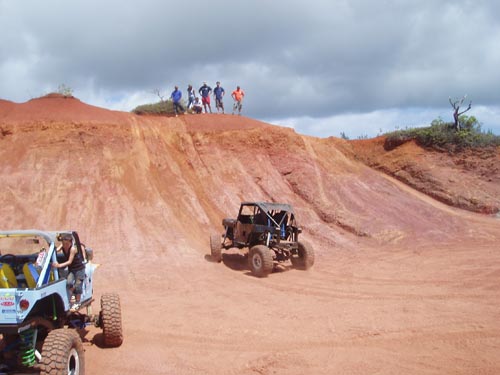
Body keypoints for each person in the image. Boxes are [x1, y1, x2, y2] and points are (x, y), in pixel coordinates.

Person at [52, 233, 86, 310]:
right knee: (69, 283)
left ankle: (77, 303)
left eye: (64, 240)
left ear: (69, 241)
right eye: (62, 240)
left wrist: (59, 265)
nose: (63, 242)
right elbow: (56, 250)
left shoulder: (73, 249)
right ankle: (72, 297)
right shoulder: (63, 246)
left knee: (78, 286)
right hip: (72, 269)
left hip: (79, 269)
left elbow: (69, 261)